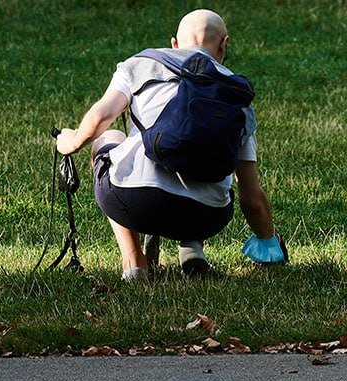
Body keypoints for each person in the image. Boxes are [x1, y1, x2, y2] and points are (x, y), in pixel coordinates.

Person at [55, 9, 285, 281]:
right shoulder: (238, 97)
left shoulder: (141, 64)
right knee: (201, 154)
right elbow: (252, 198)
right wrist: (269, 244)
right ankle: (191, 246)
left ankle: (134, 263)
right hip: (207, 215)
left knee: (110, 139)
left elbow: (101, 117)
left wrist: (71, 141)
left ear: (175, 44)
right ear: (224, 44)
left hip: (135, 201)